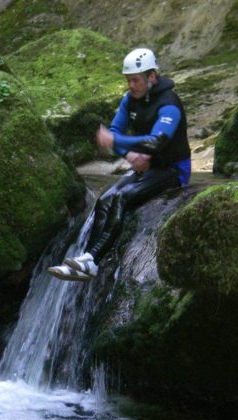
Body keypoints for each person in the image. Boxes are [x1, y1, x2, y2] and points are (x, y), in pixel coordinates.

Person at [48, 48, 191, 281]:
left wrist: (121, 144)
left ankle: (92, 261)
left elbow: (156, 142)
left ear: (152, 77)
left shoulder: (169, 104)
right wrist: (129, 154)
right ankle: (85, 261)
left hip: (172, 170)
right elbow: (115, 131)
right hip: (146, 166)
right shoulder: (129, 100)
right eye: (128, 80)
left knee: (122, 198)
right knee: (105, 199)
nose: (130, 85)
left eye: (135, 80)